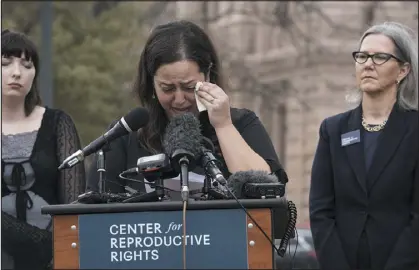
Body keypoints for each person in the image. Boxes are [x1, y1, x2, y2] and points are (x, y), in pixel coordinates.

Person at [86, 20, 288, 198]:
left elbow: (266, 189)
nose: (180, 99)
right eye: (168, 88)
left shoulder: (241, 124)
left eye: (189, 87)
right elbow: (95, 211)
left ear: (208, 77)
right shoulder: (126, 136)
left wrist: (223, 126)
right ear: (151, 85)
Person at [309, 22, 418, 270]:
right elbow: (321, 211)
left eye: (380, 57)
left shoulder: (414, 130)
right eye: (362, 56)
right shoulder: (333, 130)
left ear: (402, 70)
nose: (368, 64)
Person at [1, 29, 86, 269]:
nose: (16, 73)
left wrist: (55, 251)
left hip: (54, 260)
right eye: (5, 63)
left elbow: (74, 207)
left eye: (27, 65)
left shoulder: (59, 123)